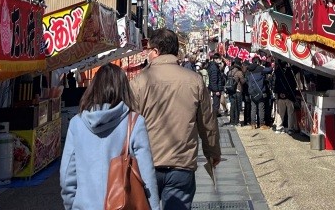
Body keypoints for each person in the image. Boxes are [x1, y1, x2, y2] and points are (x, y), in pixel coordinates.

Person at [131, 29, 221, 210]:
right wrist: (212, 152)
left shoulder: (138, 82)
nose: (147, 53)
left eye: (148, 49)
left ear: (155, 51)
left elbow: (130, 124)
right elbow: (207, 122)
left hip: (147, 163)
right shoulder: (194, 80)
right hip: (182, 163)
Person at [60, 64, 160, 210]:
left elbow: (67, 175)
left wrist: (71, 205)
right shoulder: (134, 122)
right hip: (123, 205)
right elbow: (147, 175)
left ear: (94, 88)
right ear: (124, 89)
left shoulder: (77, 123)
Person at [272, 63, 298, 133]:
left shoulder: (277, 72)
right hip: (289, 95)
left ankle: (278, 127)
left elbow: (275, 84)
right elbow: (297, 69)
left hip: (280, 94)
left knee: (281, 113)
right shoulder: (291, 71)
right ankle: (290, 128)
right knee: (290, 113)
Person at [245, 59, 270, 129]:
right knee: (261, 108)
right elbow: (269, 70)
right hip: (260, 91)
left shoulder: (249, 70)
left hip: (252, 92)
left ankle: (253, 124)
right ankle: (261, 124)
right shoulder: (260, 68)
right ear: (258, 62)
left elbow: (246, 80)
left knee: (253, 108)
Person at [226, 59, 244, 126]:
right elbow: (243, 82)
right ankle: (236, 121)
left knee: (232, 106)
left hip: (230, 90)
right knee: (237, 106)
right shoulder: (239, 72)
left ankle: (231, 121)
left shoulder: (229, 72)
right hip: (237, 90)